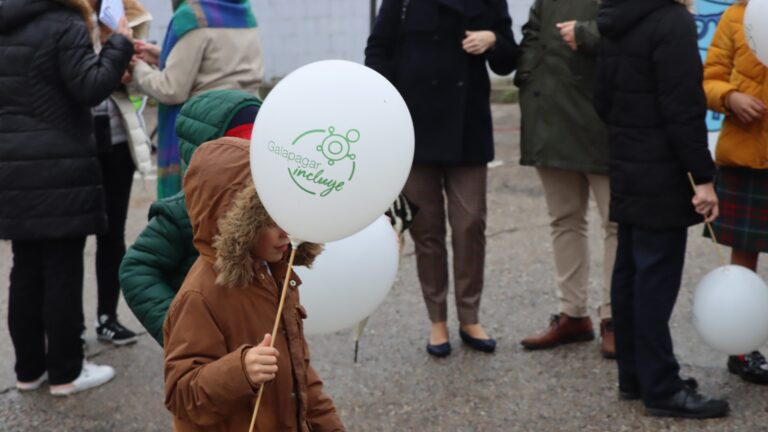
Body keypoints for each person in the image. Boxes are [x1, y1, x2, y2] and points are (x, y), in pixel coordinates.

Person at [595, 0, 729, 418]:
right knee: (655, 279)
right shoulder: (671, 21)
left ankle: (635, 377)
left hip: (627, 162)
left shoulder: (614, 17)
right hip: (661, 170)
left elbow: (601, 98)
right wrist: (703, 176)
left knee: (630, 274)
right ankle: (662, 387)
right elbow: (683, 107)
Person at [365, 0, 519, 357]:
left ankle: (470, 317)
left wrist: (492, 39)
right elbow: (378, 50)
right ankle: (437, 320)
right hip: (412, 127)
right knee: (427, 230)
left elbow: (508, 57)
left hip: (468, 128)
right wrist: (383, 107)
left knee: (470, 225)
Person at [163, 138, 345, 431]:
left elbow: (302, 374)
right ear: (234, 222)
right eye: (269, 220)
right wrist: (240, 370)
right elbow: (181, 394)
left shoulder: (276, 274)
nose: (286, 231)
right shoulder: (200, 295)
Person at [0, 0, 134, 395]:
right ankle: (66, 372)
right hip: (59, 166)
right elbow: (89, 87)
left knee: (24, 268)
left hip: (12, 166)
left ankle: (29, 370)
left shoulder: (6, 23)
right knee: (61, 269)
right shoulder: (65, 23)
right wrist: (120, 44)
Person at [516, 0, 617, 359]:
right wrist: (528, 75)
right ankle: (573, 314)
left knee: (615, 224)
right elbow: (532, 34)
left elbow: (637, 31)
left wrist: (587, 35)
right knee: (564, 220)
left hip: (603, 117)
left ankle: (613, 318)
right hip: (550, 118)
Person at [120, 89, 262, 345]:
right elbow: (137, 269)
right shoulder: (182, 211)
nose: (251, 161)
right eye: (240, 149)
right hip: (205, 355)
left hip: (258, 343)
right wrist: (179, 331)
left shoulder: (270, 203)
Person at [129, 0, 263, 199]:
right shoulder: (242, 10)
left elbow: (171, 89)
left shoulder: (193, 15)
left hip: (208, 130)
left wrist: (136, 68)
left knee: (200, 212)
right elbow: (219, 64)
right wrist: (163, 57)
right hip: (248, 125)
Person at [702, 0, 768, 385]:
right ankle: (741, 350)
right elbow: (709, 77)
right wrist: (730, 97)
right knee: (744, 258)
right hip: (745, 159)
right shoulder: (735, 16)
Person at [88, 0, 153, 346]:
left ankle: (106, 317)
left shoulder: (119, 11)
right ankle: (69, 328)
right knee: (69, 240)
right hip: (78, 142)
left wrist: (128, 66)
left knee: (112, 236)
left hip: (117, 140)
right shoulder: (65, 16)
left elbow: (132, 77)